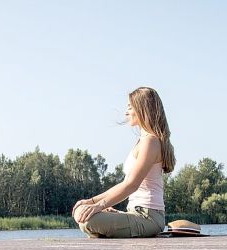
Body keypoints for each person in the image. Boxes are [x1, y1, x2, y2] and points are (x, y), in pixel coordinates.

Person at [73, 86, 176, 238]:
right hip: (136, 212)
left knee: (88, 220)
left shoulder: (151, 142)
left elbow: (131, 184)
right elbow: (126, 182)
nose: (126, 112)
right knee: (81, 211)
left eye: (129, 107)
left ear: (142, 109)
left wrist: (98, 206)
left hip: (149, 218)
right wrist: (91, 201)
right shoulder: (144, 141)